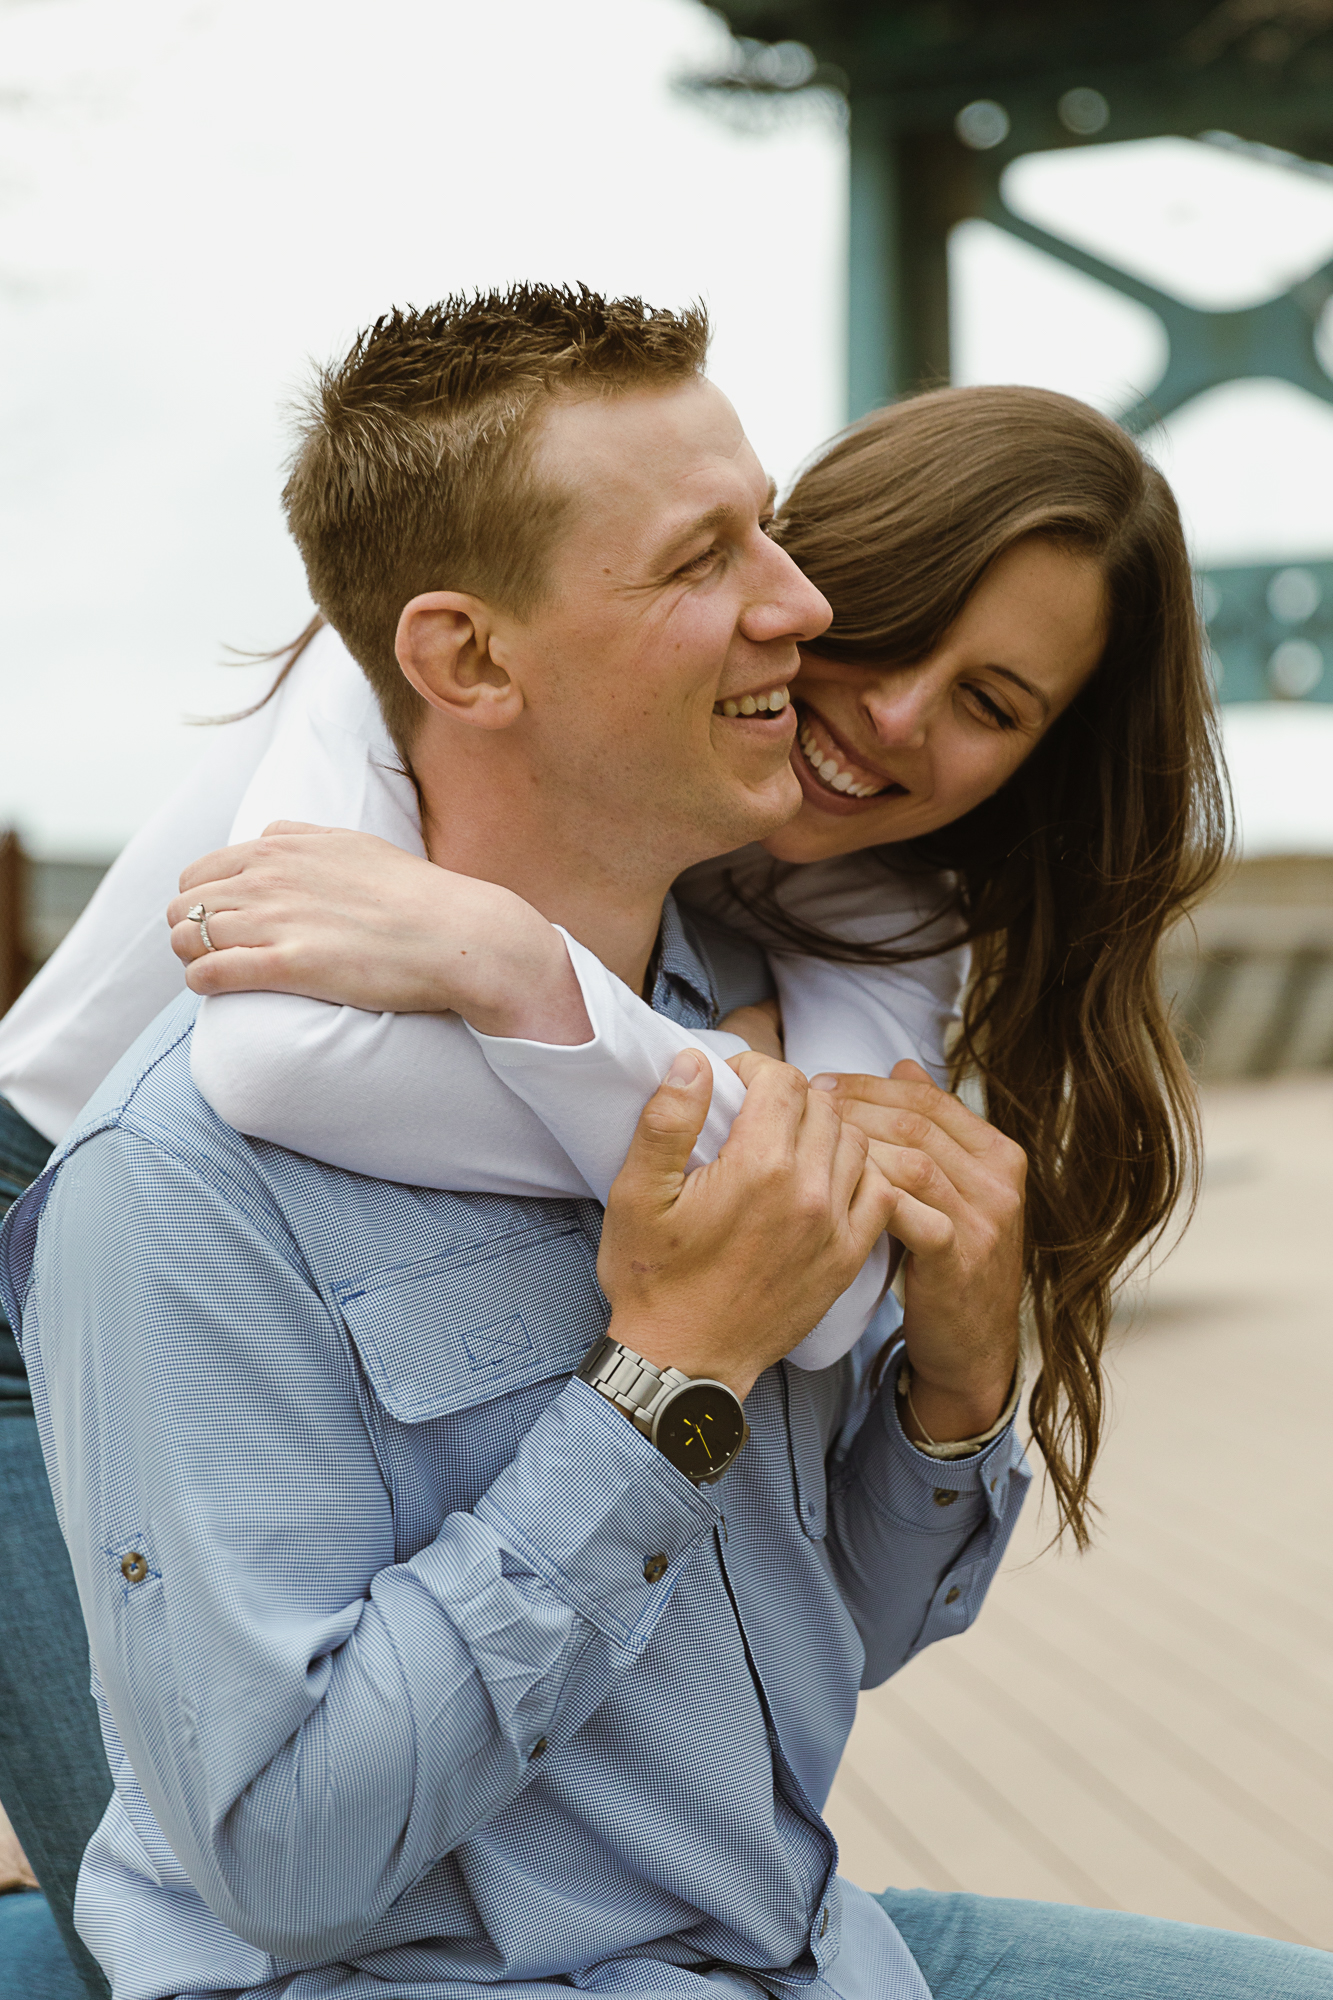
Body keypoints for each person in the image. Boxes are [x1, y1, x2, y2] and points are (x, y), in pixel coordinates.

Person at [2, 286, 1329, 1998]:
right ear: (468, 656)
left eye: (992, 706)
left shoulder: (819, 954)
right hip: (45, 1206)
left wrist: (956, 1379)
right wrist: (670, 1364)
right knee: (183, 1890)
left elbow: (813, 1614)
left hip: (784, 1945)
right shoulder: (263, 1002)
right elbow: (286, 1866)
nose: (859, 679)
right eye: (718, 561)